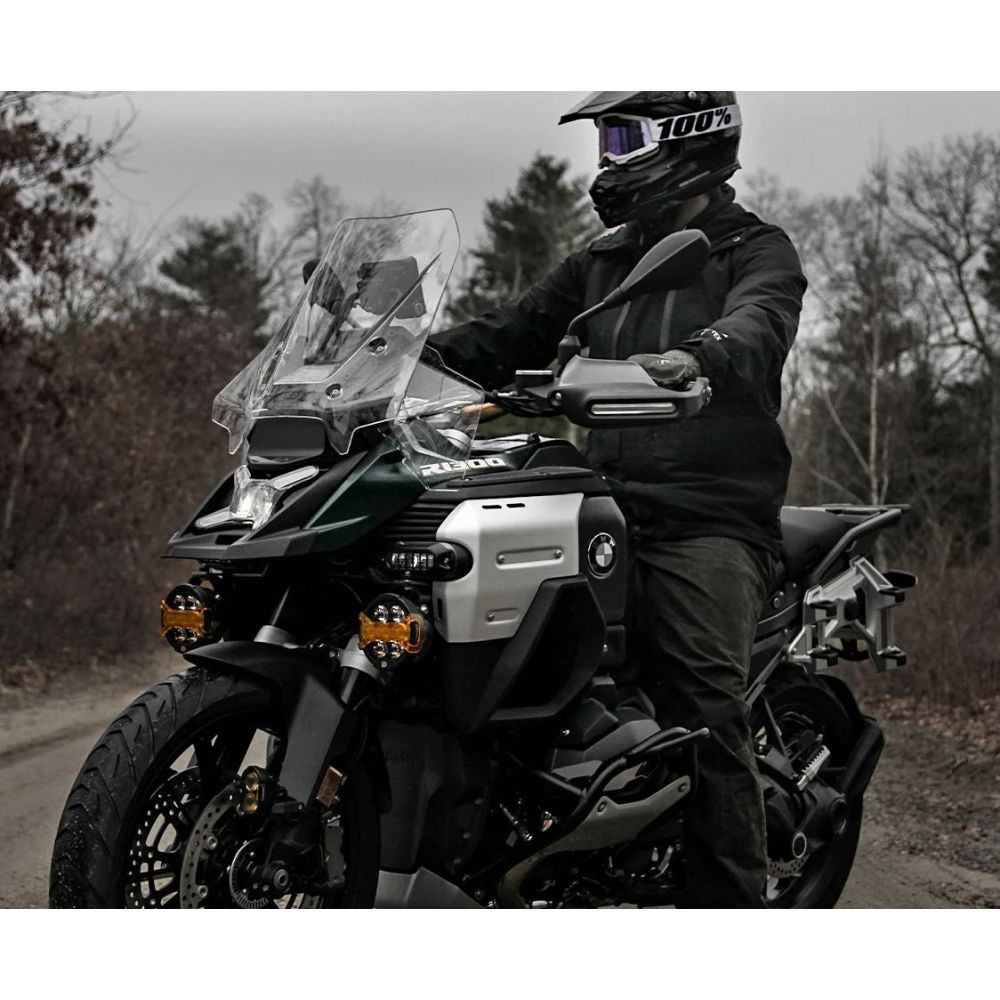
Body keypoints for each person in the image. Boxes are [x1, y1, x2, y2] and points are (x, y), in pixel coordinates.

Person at [431, 91, 807, 907]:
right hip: (602, 502)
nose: (609, 160)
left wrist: (701, 356)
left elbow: (761, 321)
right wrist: (402, 359)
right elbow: (508, 332)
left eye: (626, 137)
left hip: (708, 516)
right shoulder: (603, 261)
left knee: (704, 704)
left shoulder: (753, 250)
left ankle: (730, 910)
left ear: (691, 139)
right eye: (606, 140)